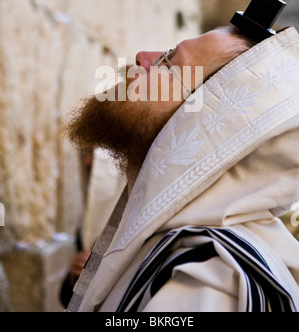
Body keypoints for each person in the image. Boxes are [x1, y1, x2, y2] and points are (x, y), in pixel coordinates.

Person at [64, 24, 299, 312]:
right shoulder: (177, 247)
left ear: (207, 124)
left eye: (170, 62)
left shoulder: (209, 281)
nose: (143, 58)